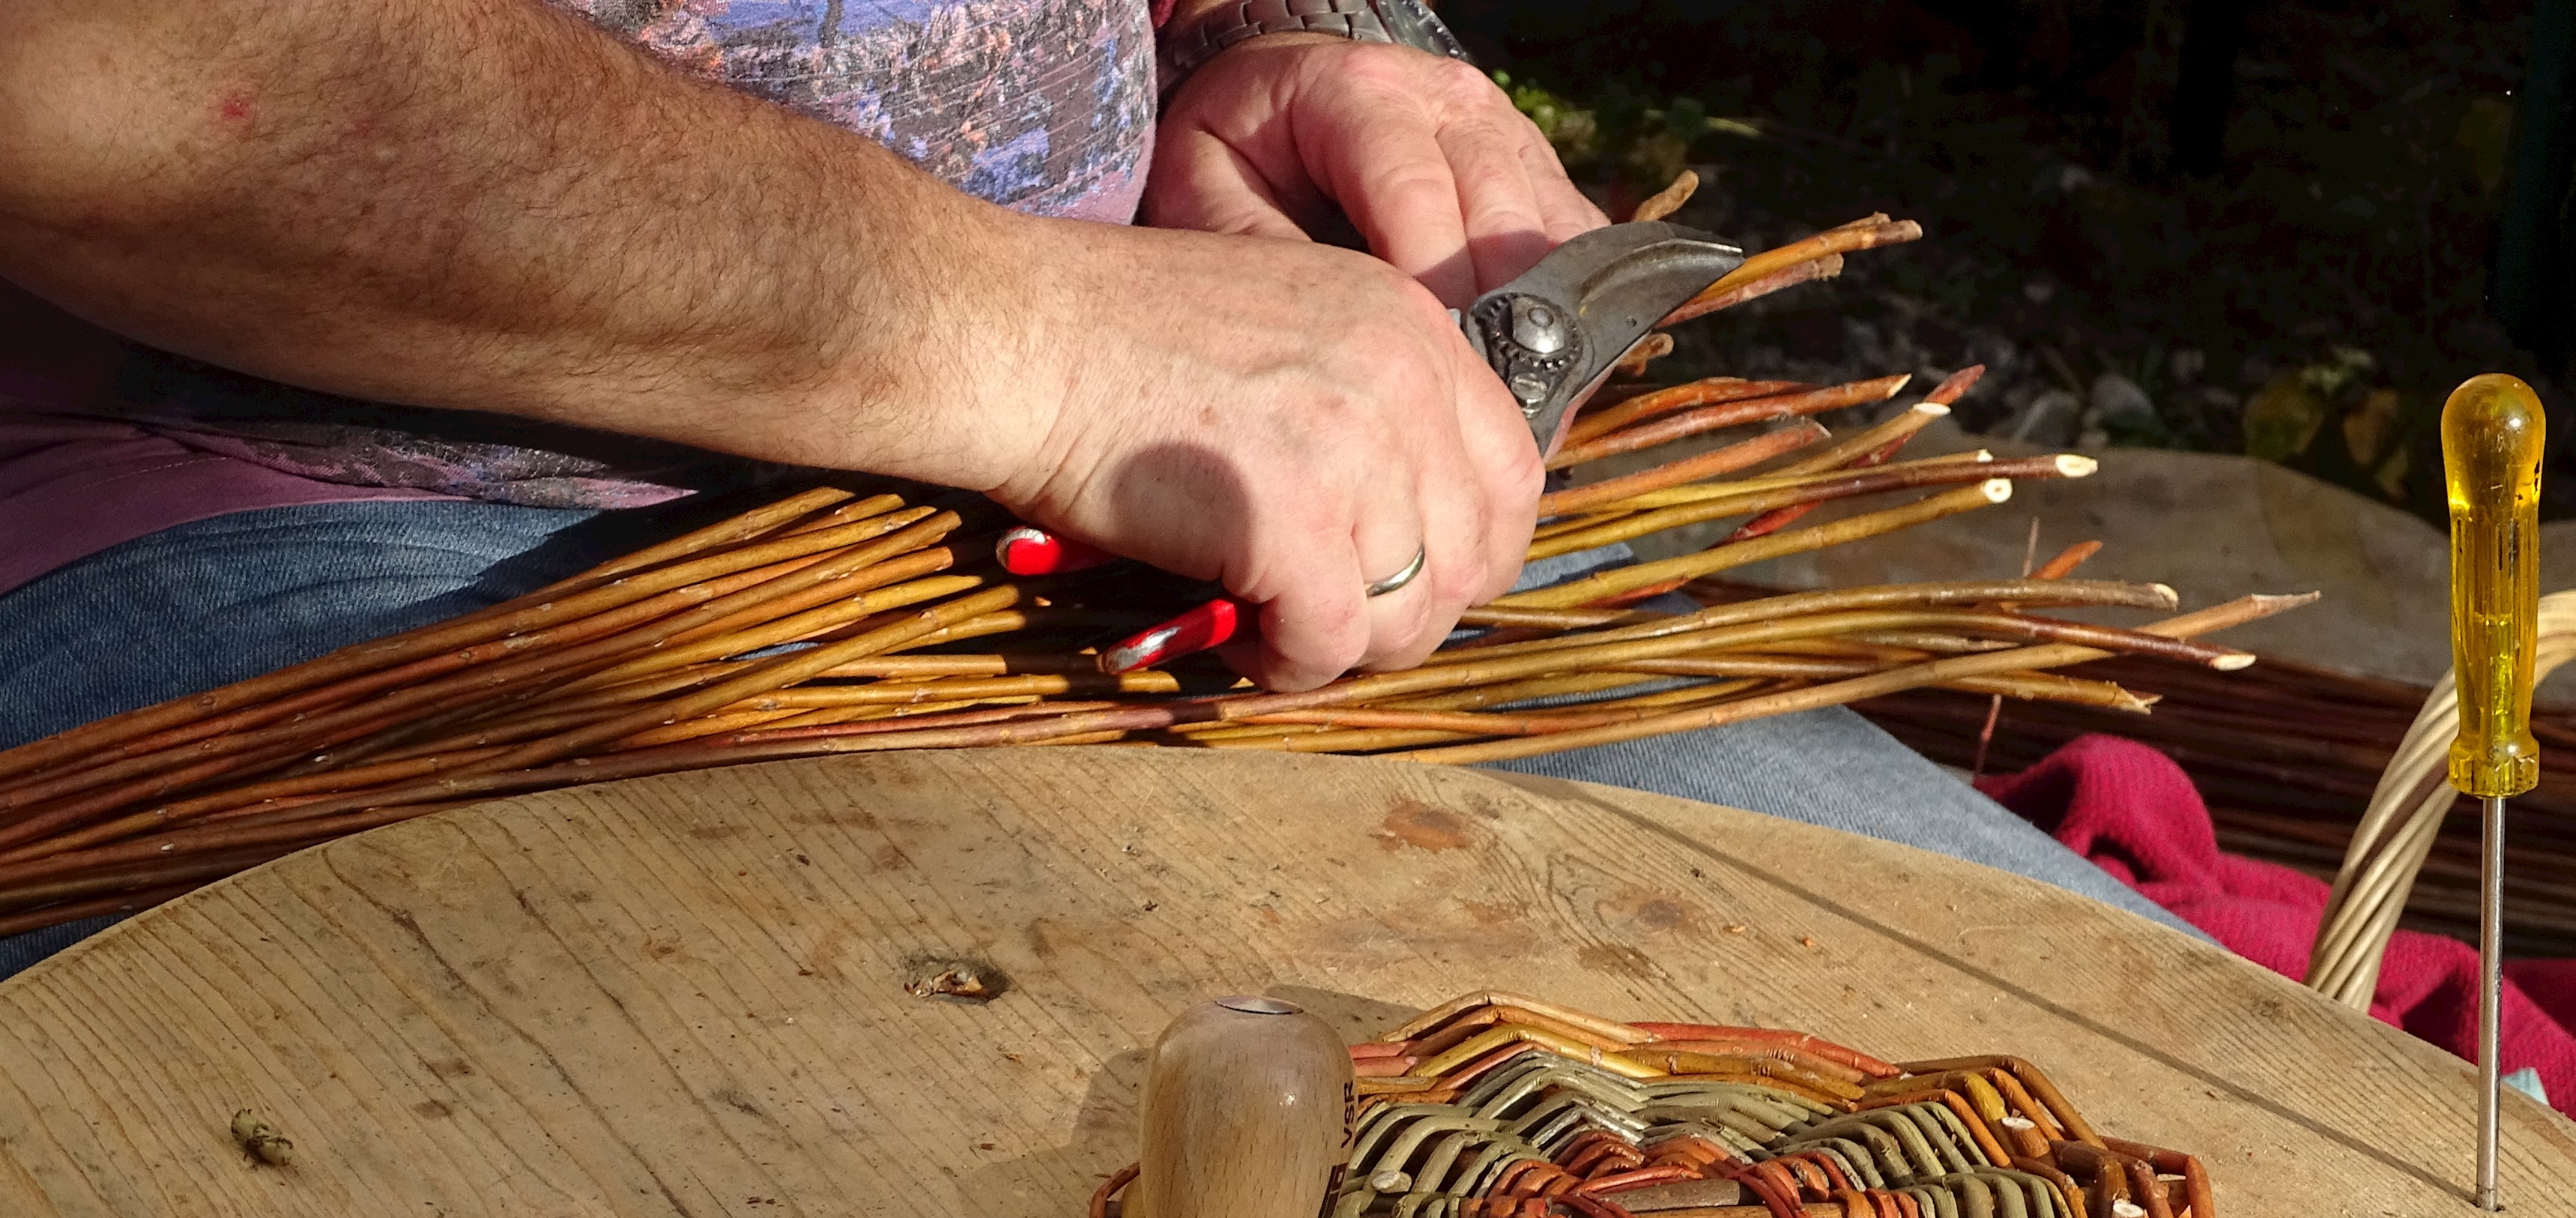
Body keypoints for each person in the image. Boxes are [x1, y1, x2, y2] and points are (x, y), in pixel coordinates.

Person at [0, 0, 2189, 976]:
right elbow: (86, 57)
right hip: (304, 514)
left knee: (2137, 1144)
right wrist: (1034, 335)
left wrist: (1289, 41)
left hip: (1112, 506)